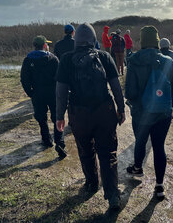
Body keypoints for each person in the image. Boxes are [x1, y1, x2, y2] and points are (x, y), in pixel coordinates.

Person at [56, 22, 125, 210]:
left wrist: (59, 116)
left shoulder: (66, 60)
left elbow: (61, 92)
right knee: (108, 152)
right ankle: (112, 196)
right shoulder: (104, 57)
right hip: (104, 111)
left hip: (79, 114)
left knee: (85, 151)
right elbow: (116, 87)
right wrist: (121, 109)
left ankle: (91, 184)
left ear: (76, 40)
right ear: (94, 39)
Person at [125, 26, 173, 200]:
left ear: (142, 41)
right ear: (157, 41)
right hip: (163, 112)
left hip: (141, 113)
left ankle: (137, 168)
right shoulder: (168, 61)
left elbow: (130, 92)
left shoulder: (133, 60)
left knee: (140, 141)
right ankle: (159, 186)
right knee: (159, 146)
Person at [20, 35, 67, 158]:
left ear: (34, 46)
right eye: (47, 44)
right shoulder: (53, 59)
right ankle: (60, 142)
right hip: (53, 92)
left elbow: (24, 80)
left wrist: (31, 93)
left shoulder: (27, 60)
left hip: (37, 93)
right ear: (45, 45)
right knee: (57, 117)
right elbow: (60, 78)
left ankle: (47, 140)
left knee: (41, 117)